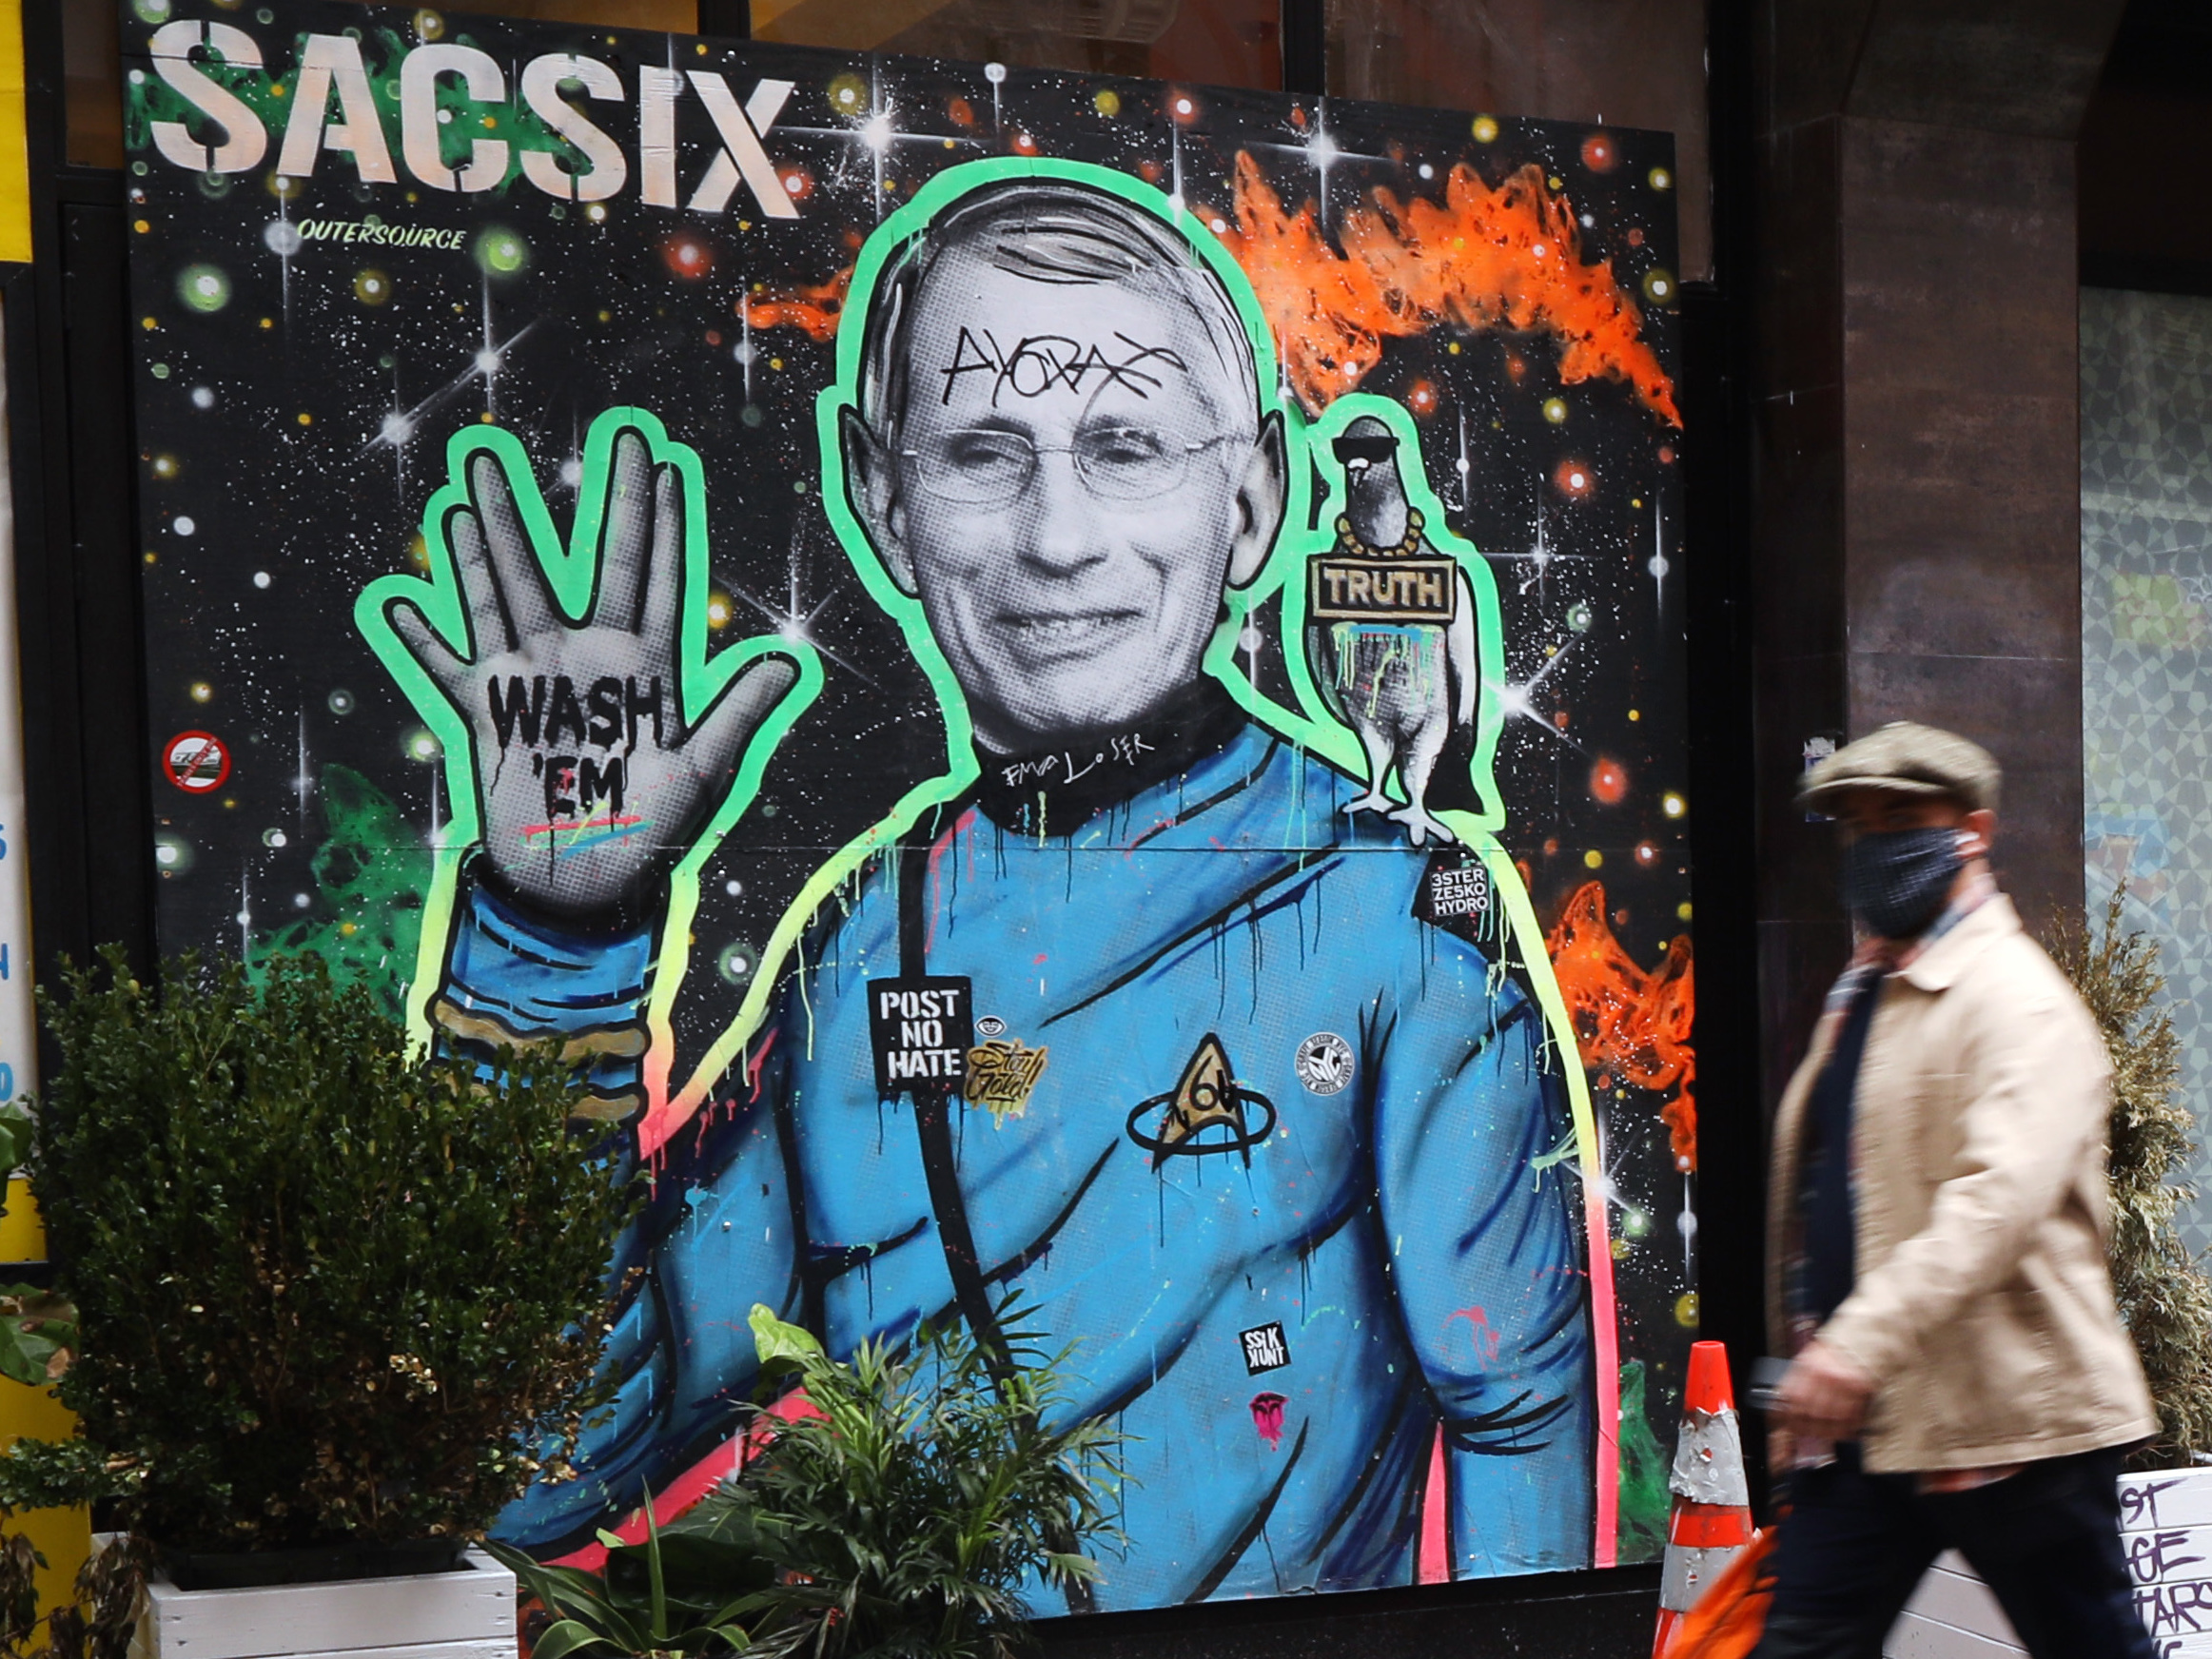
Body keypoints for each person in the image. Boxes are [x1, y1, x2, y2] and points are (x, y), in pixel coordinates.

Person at [376, 170, 1595, 1607]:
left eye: (1126, 445)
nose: (1058, 538)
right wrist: (556, 937)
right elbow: (548, 1466)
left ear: (1253, 500)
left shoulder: (1405, 908)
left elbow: (1517, 1413)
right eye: (980, 452)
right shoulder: (863, 945)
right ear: (882, 499)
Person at [1756, 722, 2159, 1658]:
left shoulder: (2021, 1001)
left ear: (1973, 831)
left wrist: (1849, 1349)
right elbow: (1832, 1188)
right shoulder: (1868, 990)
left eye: (1901, 821)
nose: (1874, 845)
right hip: (1872, 1424)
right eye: (1858, 825)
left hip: (2012, 1426)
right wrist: (1820, 1354)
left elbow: (1993, 1206)